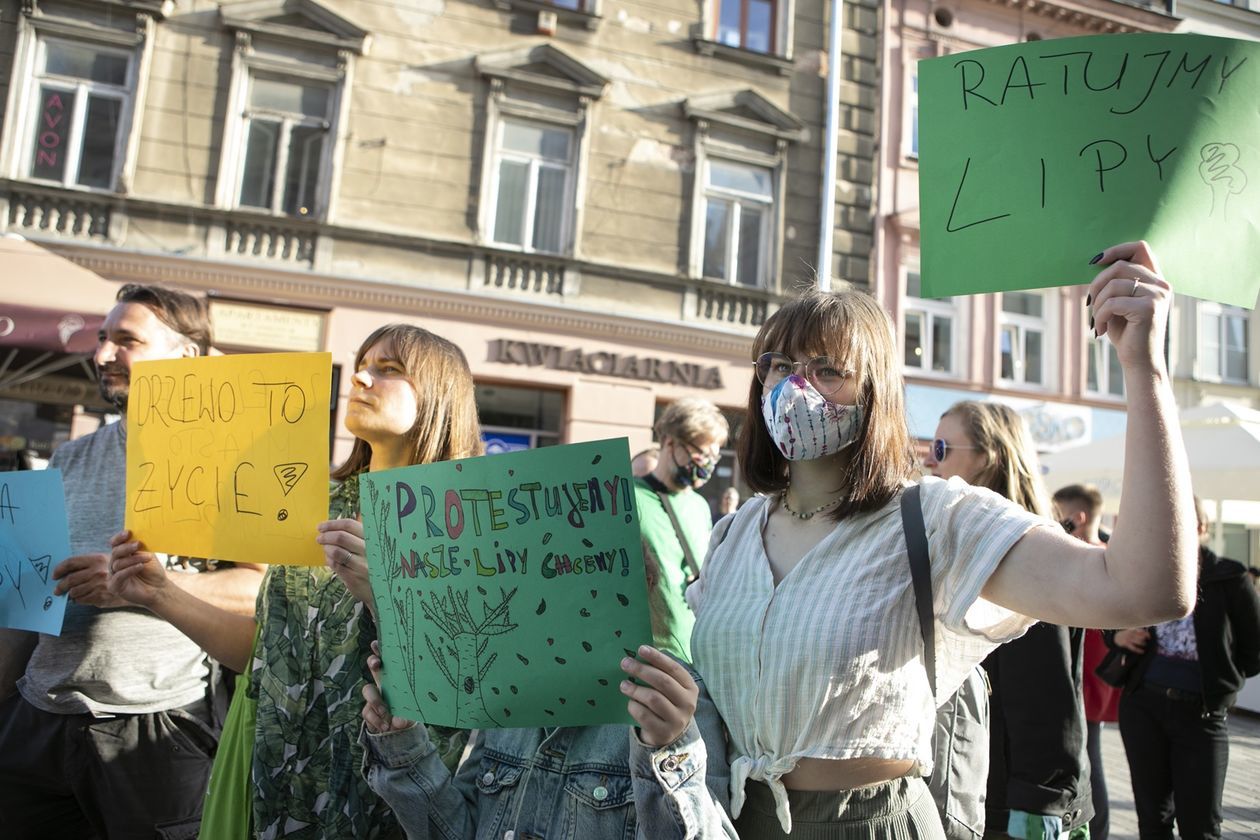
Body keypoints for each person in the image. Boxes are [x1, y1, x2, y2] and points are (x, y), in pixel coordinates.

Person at [616, 242, 1199, 838]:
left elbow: (1143, 589)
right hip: (739, 819)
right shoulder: (732, 534)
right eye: (777, 364)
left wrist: (1143, 368)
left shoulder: (936, 518)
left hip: (873, 822)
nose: (794, 387)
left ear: (875, 392)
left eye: (826, 369)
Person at [106, 324, 481, 837]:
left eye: (388, 370)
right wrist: (160, 594)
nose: (361, 378)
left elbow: (470, 679)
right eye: (361, 366)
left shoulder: (462, 523)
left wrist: (385, 601)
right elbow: (266, 658)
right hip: (279, 785)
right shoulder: (315, 505)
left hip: (391, 794)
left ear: (441, 396)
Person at [0, 284, 265, 838]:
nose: (101, 355)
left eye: (126, 340)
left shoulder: (233, 457)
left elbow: (260, 590)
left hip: (156, 730)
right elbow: (22, 600)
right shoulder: (67, 456)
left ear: (186, 356)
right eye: (102, 339)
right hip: (36, 720)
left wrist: (142, 585)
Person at [926, 402, 1092, 840]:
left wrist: (1038, 805)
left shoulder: (1026, 551)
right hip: (979, 791)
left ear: (988, 457)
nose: (929, 459)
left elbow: (1046, 695)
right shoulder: (965, 544)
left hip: (1018, 805)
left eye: (941, 447)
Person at [1109, 496, 1260, 840]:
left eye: (1180, 524)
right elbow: (1109, 626)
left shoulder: (1231, 578)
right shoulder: (1146, 573)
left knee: (1201, 826)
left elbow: (1253, 652)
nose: (1170, 533)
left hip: (1202, 714)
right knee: (1152, 821)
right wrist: (1118, 637)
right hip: (1143, 706)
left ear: (1202, 528)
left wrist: (1223, 679)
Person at [635, 397, 729, 661]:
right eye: (701, 452)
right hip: (646, 656)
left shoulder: (699, 506)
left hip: (693, 655)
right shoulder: (629, 496)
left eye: (715, 455)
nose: (708, 463)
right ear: (669, 442)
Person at [1054, 483, 1120, 840]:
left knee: (1089, 767)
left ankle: (1099, 833)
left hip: (1088, 683)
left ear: (1077, 517)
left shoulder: (1091, 560)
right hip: (1088, 681)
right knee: (1089, 763)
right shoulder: (1111, 560)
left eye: (1057, 512)